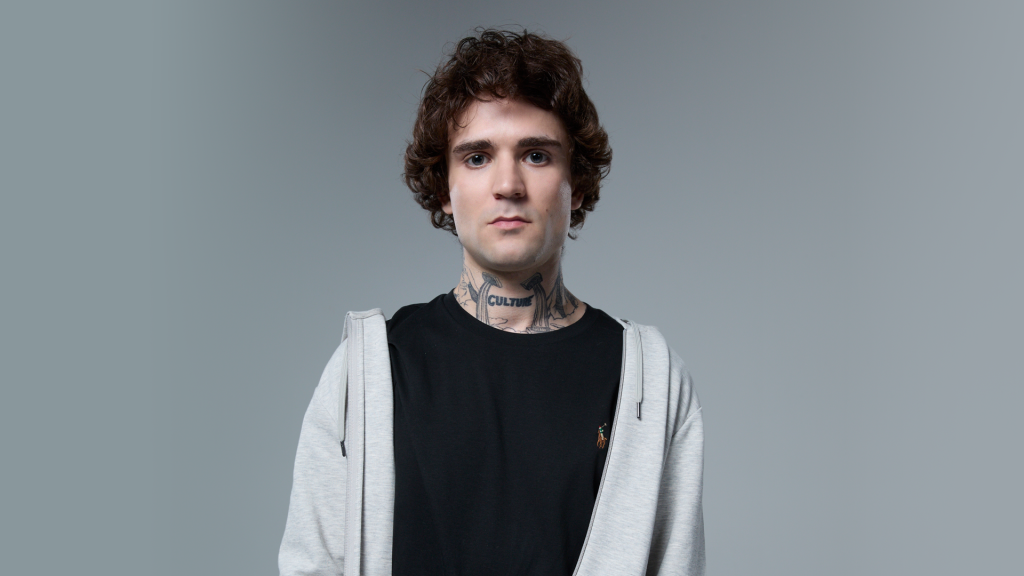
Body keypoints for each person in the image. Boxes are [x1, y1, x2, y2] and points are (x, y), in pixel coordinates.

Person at [278, 29, 704, 576]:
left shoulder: (649, 380)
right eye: (477, 157)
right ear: (444, 189)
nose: (508, 184)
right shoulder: (367, 371)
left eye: (536, 155)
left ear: (576, 183)